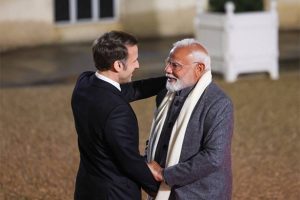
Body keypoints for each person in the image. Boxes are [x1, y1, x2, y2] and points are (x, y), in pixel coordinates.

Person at [71, 30, 165, 200]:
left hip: (87, 188)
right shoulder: (118, 112)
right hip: (114, 194)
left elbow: (130, 90)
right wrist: (160, 190)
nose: (138, 65)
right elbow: (129, 161)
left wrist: (168, 81)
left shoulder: (84, 83)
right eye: (135, 60)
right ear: (118, 66)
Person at [146, 38, 234, 199]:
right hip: (162, 191)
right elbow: (154, 138)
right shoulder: (164, 95)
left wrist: (164, 174)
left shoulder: (218, 103)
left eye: (175, 65)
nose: (167, 69)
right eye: (168, 62)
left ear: (199, 68)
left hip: (200, 194)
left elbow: (213, 157)